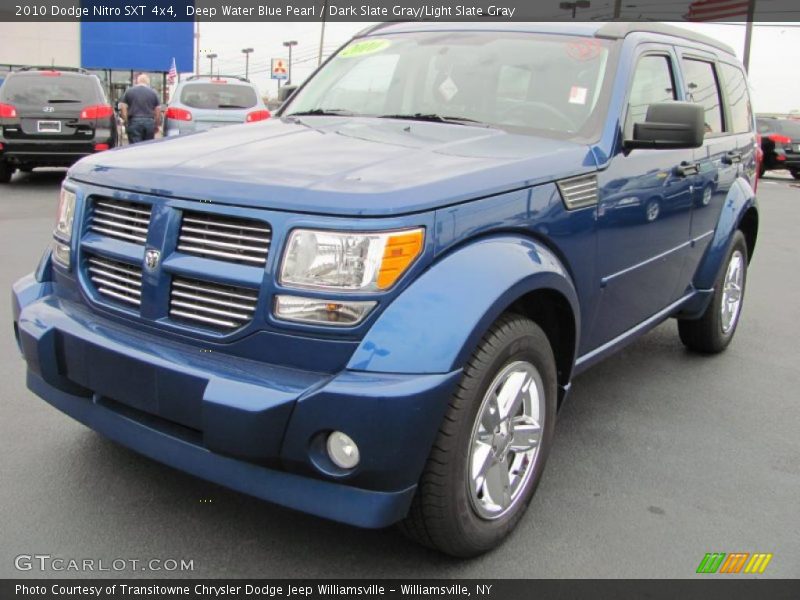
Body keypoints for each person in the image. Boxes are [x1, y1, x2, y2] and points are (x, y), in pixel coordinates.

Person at [119, 74, 161, 144]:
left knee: (135, 146)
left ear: (137, 81)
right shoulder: (154, 93)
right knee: (148, 145)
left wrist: (126, 121)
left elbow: (123, 107)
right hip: (149, 122)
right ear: (148, 82)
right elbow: (158, 110)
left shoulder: (129, 91)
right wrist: (156, 124)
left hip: (134, 121)